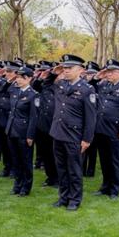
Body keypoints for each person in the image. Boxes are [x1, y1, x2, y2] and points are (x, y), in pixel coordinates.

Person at [50, 54, 96, 211]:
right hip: (58, 133)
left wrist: (87, 139)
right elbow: (43, 84)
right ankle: (63, 197)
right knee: (61, 168)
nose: (66, 70)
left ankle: (74, 200)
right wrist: (53, 72)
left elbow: (91, 117)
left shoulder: (87, 89)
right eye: (65, 68)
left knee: (75, 170)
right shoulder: (61, 84)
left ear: (80, 70)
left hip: (74, 136)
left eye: (70, 68)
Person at [92, 59, 119, 198]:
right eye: (107, 71)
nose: (108, 74)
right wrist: (98, 76)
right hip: (101, 128)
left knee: (115, 160)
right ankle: (105, 186)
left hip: (115, 130)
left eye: (111, 72)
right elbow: (91, 86)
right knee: (104, 160)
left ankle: (115, 189)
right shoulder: (104, 85)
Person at [6, 65, 39, 196]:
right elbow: (6, 88)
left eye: (22, 77)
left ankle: (26, 187)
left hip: (24, 133)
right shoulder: (14, 91)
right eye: (18, 77)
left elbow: (33, 118)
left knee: (25, 161)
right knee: (16, 160)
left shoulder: (33, 95)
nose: (18, 80)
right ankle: (17, 184)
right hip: (12, 130)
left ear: (29, 79)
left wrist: (30, 136)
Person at [31, 61, 59, 188]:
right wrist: (46, 75)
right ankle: (50, 177)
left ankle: (58, 178)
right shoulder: (46, 86)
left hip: (56, 127)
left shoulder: (62, 88)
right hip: (42, 126)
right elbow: (34, 87)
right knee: (46, 154)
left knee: (56, 155)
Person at [82, 61, 101, 177]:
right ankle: (83, 169)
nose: (90, 76)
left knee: (93, 147)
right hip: (84, 119)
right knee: (83, 147)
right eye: (88, 73)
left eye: (92, 74)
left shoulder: (100, 85)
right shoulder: (83, 85)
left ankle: (91, 170)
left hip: (96, 119)